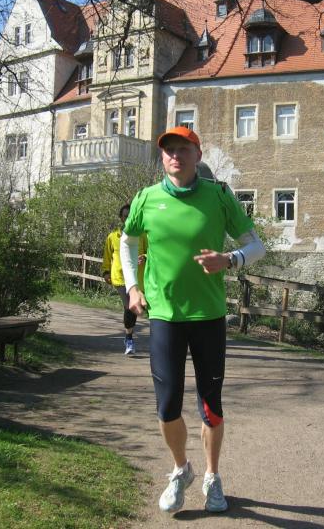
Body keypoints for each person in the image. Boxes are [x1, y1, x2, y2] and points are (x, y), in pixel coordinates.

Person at [119, 126, 265, 514]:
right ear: (162, 157)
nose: (175, 156)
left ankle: (212, 477)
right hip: (165, 316)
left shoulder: (218, 196)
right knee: (167, 405)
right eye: (168, 150)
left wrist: (229, 260)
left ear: (197, 155)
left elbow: (256, 245)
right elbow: (127, 242)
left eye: (183, 149)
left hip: (208, 316)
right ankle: (181, 469)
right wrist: (132, 287)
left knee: (211, 405)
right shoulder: (146, 198)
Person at [101, 204, 146, 355]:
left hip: (137, 278)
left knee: (136, 307)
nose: (127, 218)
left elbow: (151, 252)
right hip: (120, 278)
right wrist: (106, 272)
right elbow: (107, 257)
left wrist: (144, 257)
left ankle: (129, 336)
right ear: (121, 218)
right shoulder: (113, 237)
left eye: (130, 216)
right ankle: (129, 339)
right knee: (129, 307)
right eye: (125, 216)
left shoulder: (143, 235)